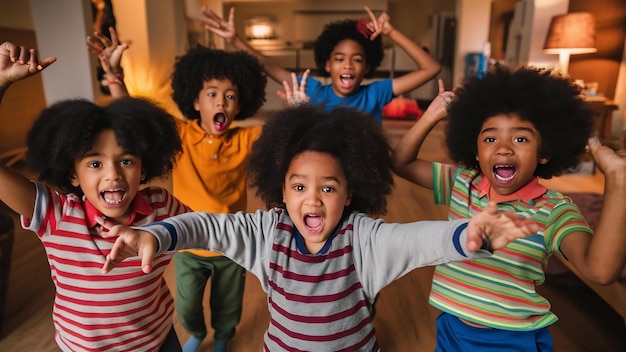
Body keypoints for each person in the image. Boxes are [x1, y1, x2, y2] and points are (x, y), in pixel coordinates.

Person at [101, 105, 539, 351]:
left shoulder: (363, 238)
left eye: (328, 187)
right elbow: (209, 227)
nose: (312, 199)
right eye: (298, 186)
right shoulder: (266, 232)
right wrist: (157, 234)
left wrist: (469, 235)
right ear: (281, 191)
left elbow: (418, 239)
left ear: (350, 194)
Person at [392, 66, 626, 351]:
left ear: (544, 152)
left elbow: (601, 271)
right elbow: (401, 162)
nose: (503, 148)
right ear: (475, 151)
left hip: (511, 342)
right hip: (452, 328)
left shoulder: (554, 210)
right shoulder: (461, 182)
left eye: (521, 138)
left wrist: (617, 180)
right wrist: (433, 113)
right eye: (490, 138)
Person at [0, 41, 191, 351]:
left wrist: (115, 80)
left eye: (126, 161)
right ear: (72, 174)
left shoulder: (161, 206)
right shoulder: (57, 215)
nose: (113, 173)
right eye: (94, 163)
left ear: (142, 169)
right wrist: (2, 83)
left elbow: (138, 135)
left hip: (158, 342)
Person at [87, 30, 268, 352]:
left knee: (229, 304)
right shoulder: (181, 135)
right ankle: (196, 332)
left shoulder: (245, 139)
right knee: (187, 304)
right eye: (212, 94)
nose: (221, 102)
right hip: (186, 242)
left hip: (230, 244)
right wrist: (113, 74)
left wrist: (301, 102)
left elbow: (286, 133)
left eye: (230, 95)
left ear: (240, 103)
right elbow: (135, 116)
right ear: (195, 101)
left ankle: (223, 337)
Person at [199, 5, 441, 123]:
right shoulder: (311, 90)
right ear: (327, 65)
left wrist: (391, 32)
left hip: (364, 184)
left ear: (367, 67)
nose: (347, 65)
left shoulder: (376, 92)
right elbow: (265, 63)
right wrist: (234, 39)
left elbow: (431, 69)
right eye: (339, 59)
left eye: (357, 60)